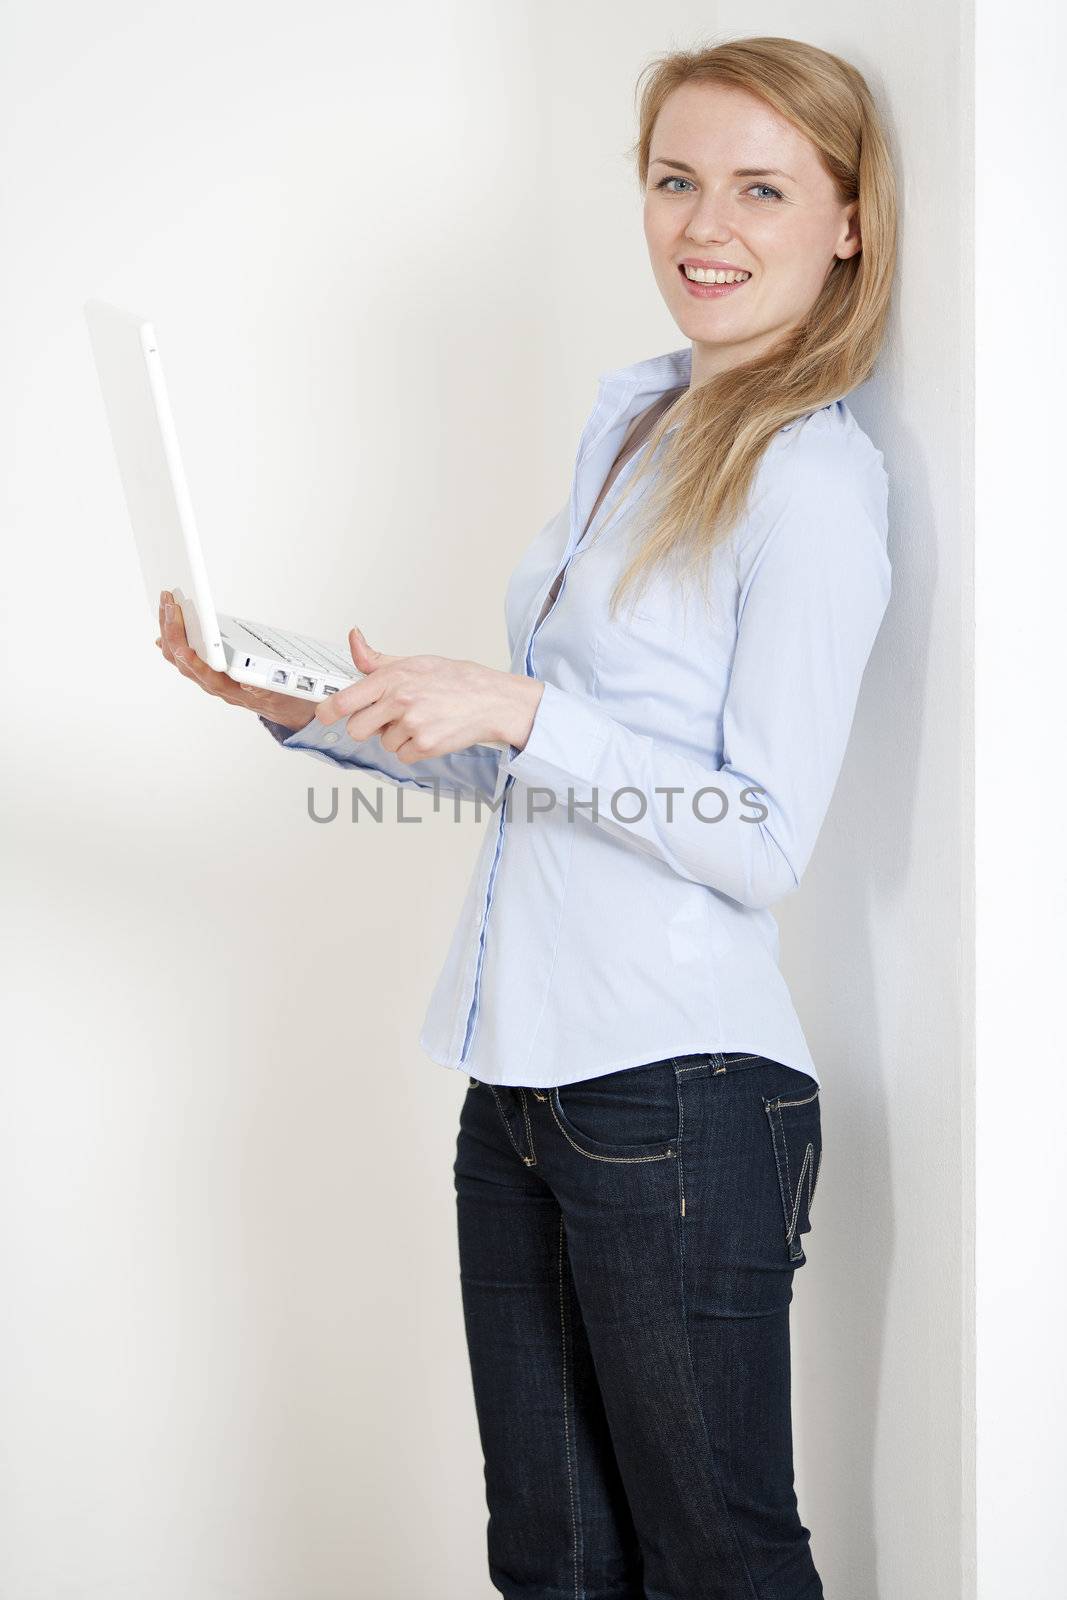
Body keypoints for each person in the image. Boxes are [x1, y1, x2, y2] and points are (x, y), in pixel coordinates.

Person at [157, 33, 896, 1600]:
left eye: (762, 189)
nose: (706, 225)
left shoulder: (811, 481)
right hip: (518, 1083)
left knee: (720, 1558)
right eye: (676, 179)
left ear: (847, 220)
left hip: (680, 1098)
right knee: (551, 1561)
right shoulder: (636, 426)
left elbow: (763, 833)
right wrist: (303, 706)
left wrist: (520, 704)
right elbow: (550, 776)